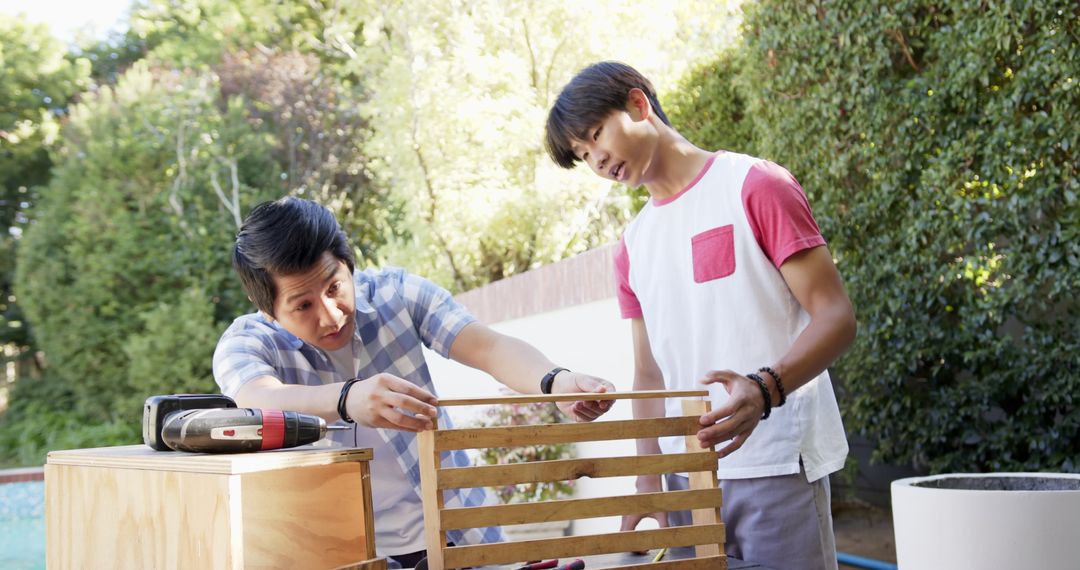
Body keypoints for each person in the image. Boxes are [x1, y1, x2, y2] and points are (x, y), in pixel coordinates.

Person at [544, 61, 857, 570]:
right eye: (583, 155)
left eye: (597, 135)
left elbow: (837, 317)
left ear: (639, 104)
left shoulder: (754, 185)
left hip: (776, 463)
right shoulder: (633, 247)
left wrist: (763, 388)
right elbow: (648, 372)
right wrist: (648, 480)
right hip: (685, 479)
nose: (597, 160)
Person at [212, 197, 615, 567]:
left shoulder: (398, 294)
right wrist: (347, 399)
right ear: (268, 310)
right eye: (303, 305)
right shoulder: (247, 342)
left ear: (349, 265)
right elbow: (257, 397)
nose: (331, 315)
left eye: (335, 287)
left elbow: (488, 347)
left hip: (459, 531)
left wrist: (554, 381)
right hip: (342, 552)